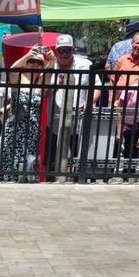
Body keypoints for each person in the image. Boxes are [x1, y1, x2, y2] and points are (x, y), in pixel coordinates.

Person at [50, 34, 101, 181]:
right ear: (56, 51)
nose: (64, 54)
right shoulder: (50, 66)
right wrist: (56, 86)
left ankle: (75, 180)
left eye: (67, 50)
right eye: (61, 50)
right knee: (55, 156)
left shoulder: (85, 65)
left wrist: (90, 101)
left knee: (77, 155)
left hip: (79, 120)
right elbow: (44, 93)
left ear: (73, 49)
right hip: (55, 121)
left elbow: (97, 86)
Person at [0, 47, 53, 182]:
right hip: (15, 127)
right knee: (11, 157)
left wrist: (52, 60)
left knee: (29, 158)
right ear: (26, 63)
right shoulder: (19, 79)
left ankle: (26, 181)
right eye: (31, 61)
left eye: (38, 63)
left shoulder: (40, 83)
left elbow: (50, 73)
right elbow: (11, 70)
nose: (34, 64)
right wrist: (27, 56)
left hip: (32, 128)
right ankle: (8, 180)